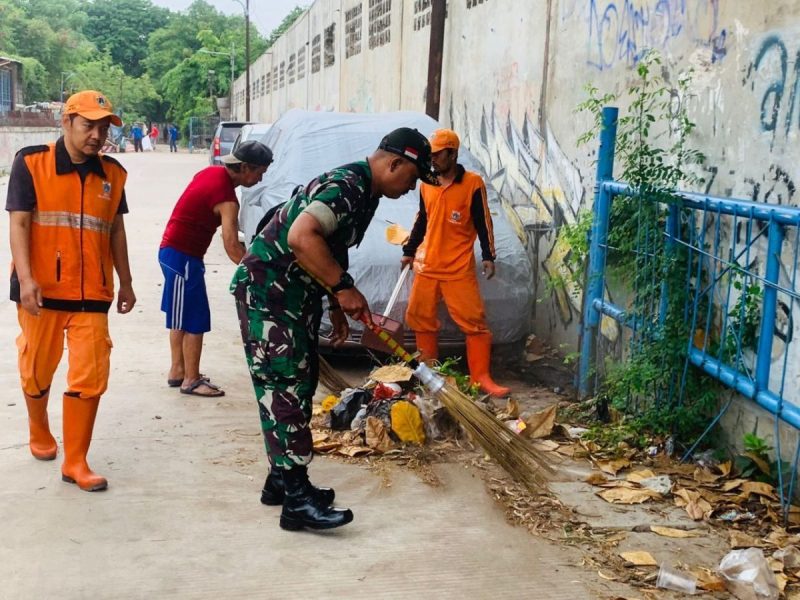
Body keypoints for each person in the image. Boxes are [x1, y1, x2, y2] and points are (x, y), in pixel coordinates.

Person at [230, 127, 438, 531]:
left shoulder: (366, 191)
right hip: (271, 294)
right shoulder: (348, 184)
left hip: (295, 294)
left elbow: (330, 246)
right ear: (394, 163)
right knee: (286, 389)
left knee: (300, 384)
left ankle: (280, 480)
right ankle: (296, 500)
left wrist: (334, 303)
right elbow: (300, 236)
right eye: (411, 178)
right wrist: (343, 289)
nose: (410, 187)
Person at [7, 90, 136, 492]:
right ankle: (39, 426)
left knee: (91, 372)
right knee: (37, 367)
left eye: (103, 127)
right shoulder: (31, 163)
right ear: (66, 122)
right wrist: (27, 279)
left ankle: (76, 461)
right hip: (41, 291)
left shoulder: (112, 174)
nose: (97, 135)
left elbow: (115, 229)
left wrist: (126, 280)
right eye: (89, 125)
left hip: (92, 293)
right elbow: (20, 224)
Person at [401, 128, 510, 397]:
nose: (433, 160)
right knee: (420, 319)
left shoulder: (473, 184)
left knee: (474, 322)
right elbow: (422, 220)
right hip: (426, 266)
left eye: (438, 155)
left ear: (453, 153)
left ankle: (481, 378)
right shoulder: (427, 183)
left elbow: (484, 222)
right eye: (431, 155)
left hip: (457, 268)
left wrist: (488, 255)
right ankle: (429, 375)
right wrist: (409, 250)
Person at [159, 140, 272, 397]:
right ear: (244, 167)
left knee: (181, 317)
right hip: (182, 257)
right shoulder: (228, 200)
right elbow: (232, 246)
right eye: (259, 172)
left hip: (175, 254)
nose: (260, 178)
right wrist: (258, 273)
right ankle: (191, 379)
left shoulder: (210, 173)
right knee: (195, 318)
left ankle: (178, 371)